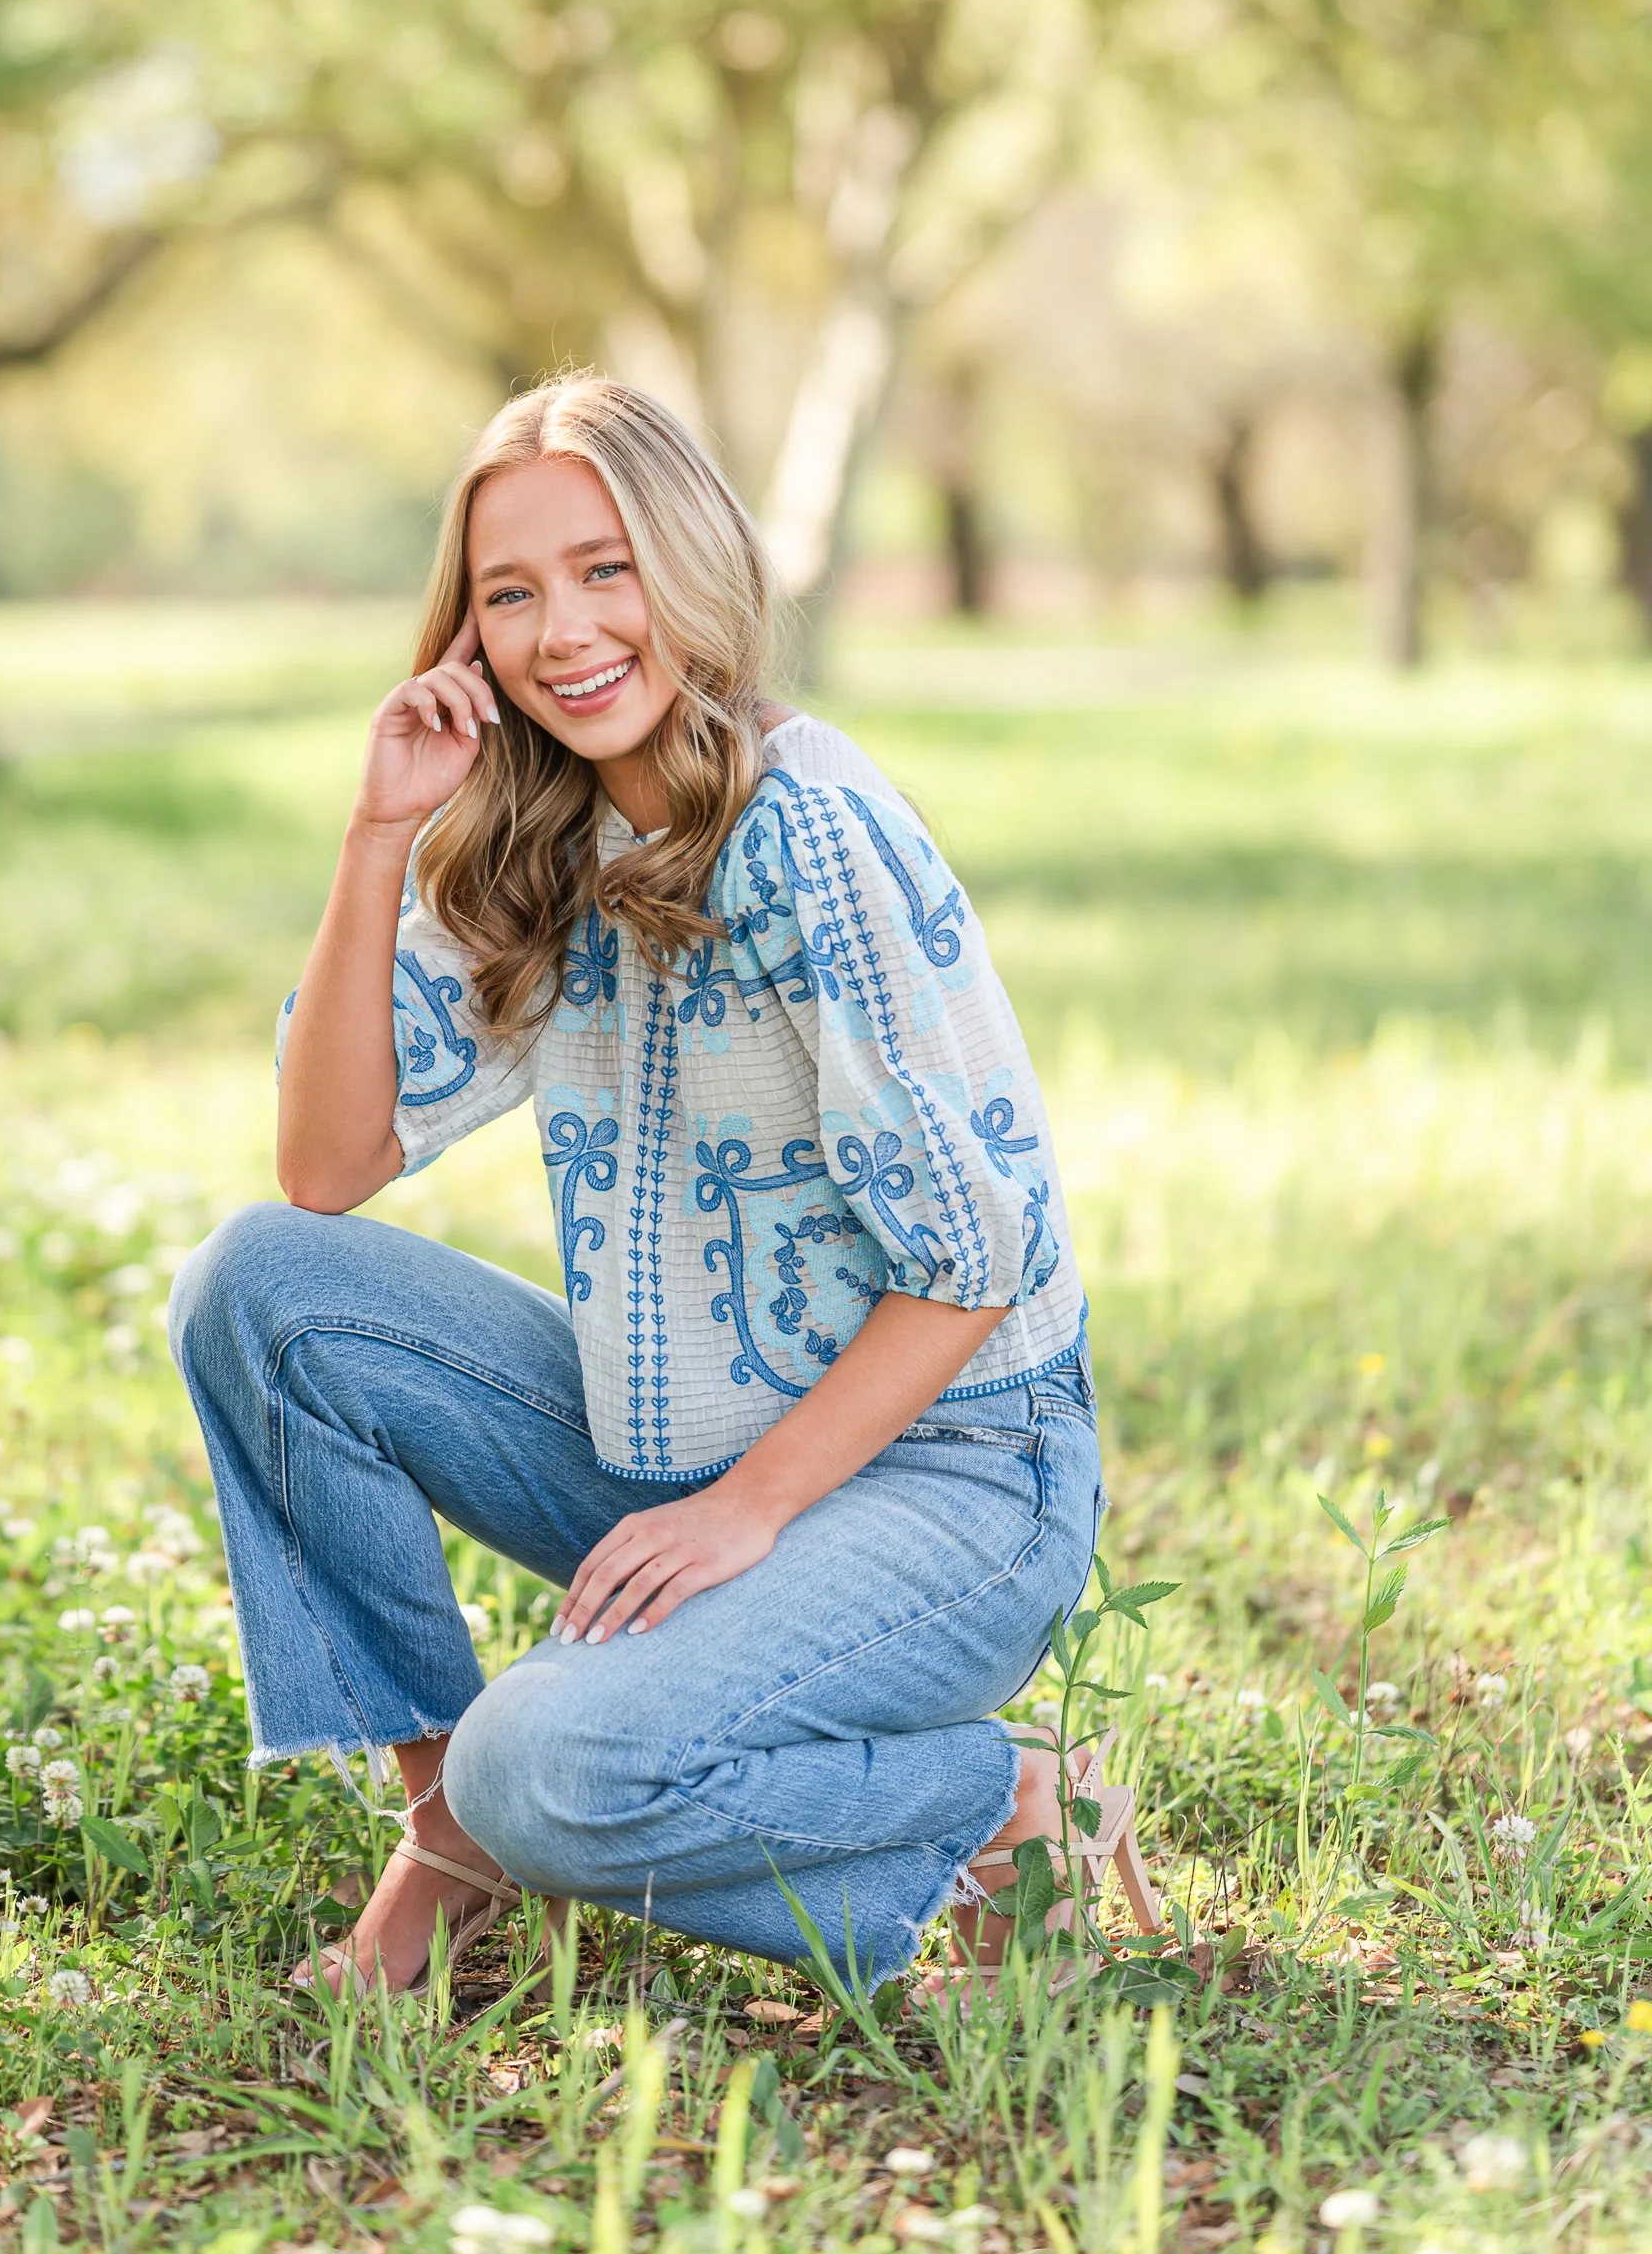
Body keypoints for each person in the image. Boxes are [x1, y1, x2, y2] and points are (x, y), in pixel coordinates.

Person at [168, 373, 1159, 2000]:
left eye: (604, 566)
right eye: (511, 591)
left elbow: (975, 1260)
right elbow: (325, 1160)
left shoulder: (809, 830)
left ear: (691, 563)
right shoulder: (544, 841)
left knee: (549, 1762)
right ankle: (453, 1837)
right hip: (677, 1439)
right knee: (259, 1287)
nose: (563, 628)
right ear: (468, 631)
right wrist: (372, 838)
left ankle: (1009, 1804)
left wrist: (748, 1507)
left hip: (959, 1475)